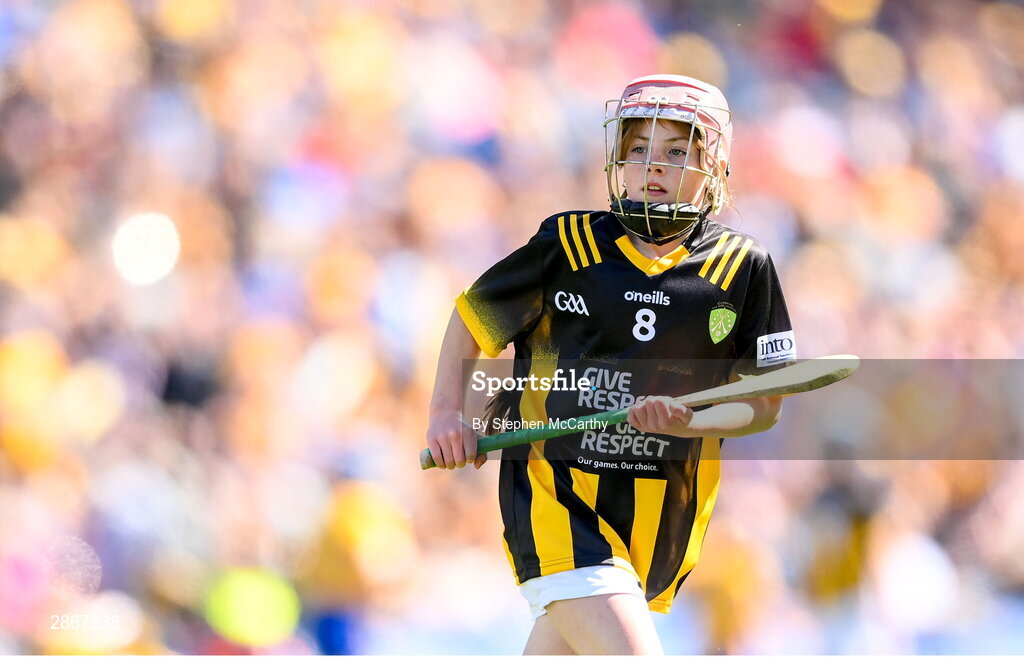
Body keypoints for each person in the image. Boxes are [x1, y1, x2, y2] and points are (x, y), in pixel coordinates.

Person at [427, 74, 796, 655]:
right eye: (638, 151)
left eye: (676, 152)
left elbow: (764, 405)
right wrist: (447, 412)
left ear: (713, 164)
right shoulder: (567, 244)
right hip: (558, 500)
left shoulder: (743, 268)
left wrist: (687, 423)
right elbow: (472, 320)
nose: (654, 166)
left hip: (656, 524)